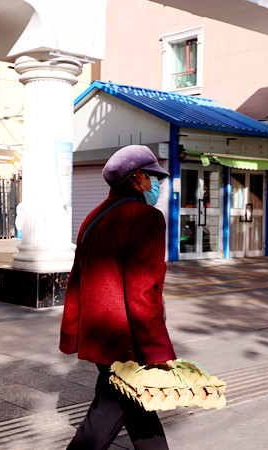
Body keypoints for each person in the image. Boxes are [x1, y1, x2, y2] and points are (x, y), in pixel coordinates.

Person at [60, 145, 177, 449]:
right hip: (127, 341)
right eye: (153, 177)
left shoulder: (93, 216)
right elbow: (141, 292)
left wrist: (71, 332)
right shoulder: (145, 217)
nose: (156, 184)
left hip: (99, 337)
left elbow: (76, 280)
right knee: (114, 411)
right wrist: (158, 350)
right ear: (138, 178)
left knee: (134, 411)